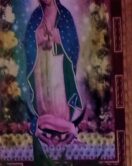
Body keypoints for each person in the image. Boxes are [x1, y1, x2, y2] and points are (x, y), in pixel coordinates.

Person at [23, 0, 84, 146]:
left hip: (59, 67)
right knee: (43, 105)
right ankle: (46, 129)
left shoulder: (64, 15)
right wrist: (38, 38)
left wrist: (59, 38)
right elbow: (27, 42)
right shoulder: (36, 15)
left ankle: (63, 128)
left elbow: (73, 44)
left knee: (59, 103)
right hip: (41, 68)